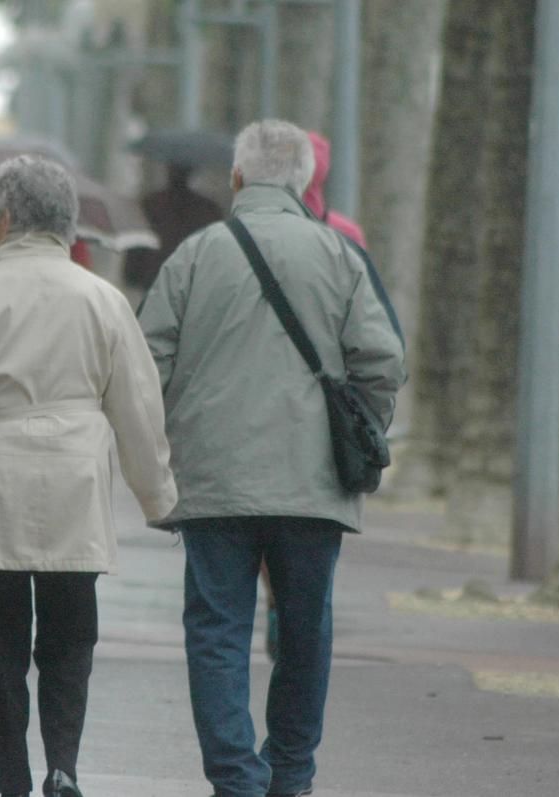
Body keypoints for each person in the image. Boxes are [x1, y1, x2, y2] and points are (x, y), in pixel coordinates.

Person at [138, 120, 406, 797]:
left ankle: (236, 778)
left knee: (217, 628)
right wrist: (363, 427)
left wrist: (170, 439)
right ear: (304, 183)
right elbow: (384, 358)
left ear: (237, 178)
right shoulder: (340, 257)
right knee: (305, 628)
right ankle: (291, 772)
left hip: (215, 480)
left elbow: (147, 359)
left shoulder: (195, 257)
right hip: (313, 482)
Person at [0, 155, 177, 797]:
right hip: (75, 479)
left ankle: (12, 772)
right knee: (70, 636)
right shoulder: (103, 300)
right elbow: (138, 407)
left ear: (6, 218)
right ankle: (64, 765)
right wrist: (158, 495)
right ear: (69, 224)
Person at [262, 129, 371, 659]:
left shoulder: (246, 232)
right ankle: (293, 612)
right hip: (325, 413)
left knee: (256, 523)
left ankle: (274, 601)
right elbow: (369, 331)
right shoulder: (345, 235)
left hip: (259, 405)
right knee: (311, 540)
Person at [122, 162, 223, 292]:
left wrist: (132, 274)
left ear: (167, 170)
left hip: (154, 283)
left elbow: (136, 249)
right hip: (191, 286)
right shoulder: (209, 210)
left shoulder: (150, 203)